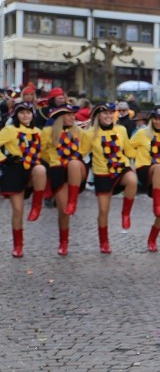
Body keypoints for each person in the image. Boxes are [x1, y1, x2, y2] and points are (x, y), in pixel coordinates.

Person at [79, 103, 137, 254]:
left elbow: (129, 150)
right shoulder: (90, 133)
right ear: (98, 115)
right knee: (103, 211)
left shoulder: (121, 130)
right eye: (105, 114)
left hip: (120, 168)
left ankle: (126, 214)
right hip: (102, 173)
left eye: (111, 113)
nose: (108, 116)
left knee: (132, 180)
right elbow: (82, 152)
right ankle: (104, 242)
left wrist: (144, 153)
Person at [0, 101, 47, 257]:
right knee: (18, 210)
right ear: (16, 114)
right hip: (15, 169)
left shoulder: (38, 132)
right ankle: (18, 245)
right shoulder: (10, 130)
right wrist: (4, 159)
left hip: (33, 169)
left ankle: (37, 205)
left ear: (32, 114)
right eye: (22, 112)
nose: (25, 115)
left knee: (41, 170)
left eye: (28, 112)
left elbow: (45, 152)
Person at [40, 103, 86, 256]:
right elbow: (42, 151)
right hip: (58, 170)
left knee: (73, 163)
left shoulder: (79, 131)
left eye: (73, 115)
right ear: (60, 117)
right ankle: (63, 242)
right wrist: (54, 160)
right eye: (68, 114)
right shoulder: (48, 132)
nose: (71, 117)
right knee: (62, 211)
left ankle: (74, 201)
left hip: (76, 168)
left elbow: (86, 148)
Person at [128, 106, 160, 252]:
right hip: (145, 169)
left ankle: (152, 239)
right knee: (158, 167)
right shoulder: (142, 133)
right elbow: (128, 148)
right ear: (151, 119)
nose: (158, 121)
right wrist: (137, 157)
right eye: (155, 118)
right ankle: (156, 204)